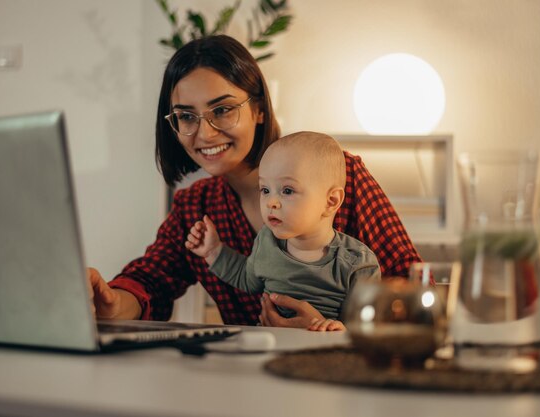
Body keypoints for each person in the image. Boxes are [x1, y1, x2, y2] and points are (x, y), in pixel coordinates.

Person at [87, 34, 422, 329]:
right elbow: (151, 281)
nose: (204, 133)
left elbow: (411, 285)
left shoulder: (341, 175)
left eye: (222, 110)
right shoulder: (195, 206)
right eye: (186, 116)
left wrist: (339, 330)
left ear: (259, 109)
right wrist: (111, 303)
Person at [185, 132, 381, 331]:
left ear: (331, 201)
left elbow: (368, 330)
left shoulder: (357, 262)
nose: (271, 202)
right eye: (265, 190)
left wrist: (340, 331)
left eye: (287, 190)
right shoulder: (266, 241)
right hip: (269, 349)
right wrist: (213, 251)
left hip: (325, 356)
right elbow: (246, 278)